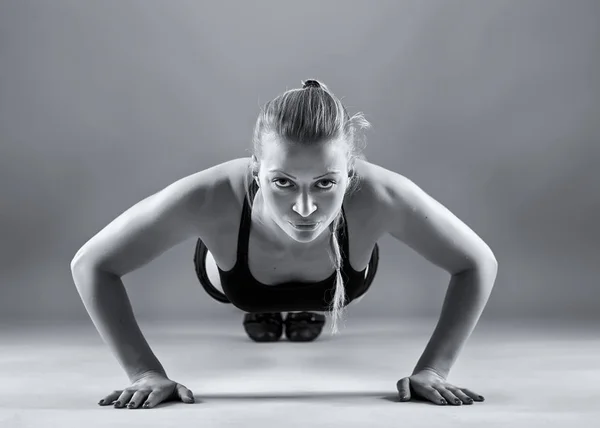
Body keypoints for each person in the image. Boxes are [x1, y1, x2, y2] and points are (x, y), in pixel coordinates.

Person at [71, 79, 498, 410]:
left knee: (307, 290)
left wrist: (433, 369)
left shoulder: (381, 195)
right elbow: (92, 264)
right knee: (257, 299)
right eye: (283, 182)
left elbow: (477, 262)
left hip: (341, 275)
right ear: (256, 171)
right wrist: (145, 372)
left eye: (327, 183)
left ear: (350, 173)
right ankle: (280, 315)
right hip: (236, 282)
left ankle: (300, 314)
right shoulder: (210, 195)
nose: (307, 207)